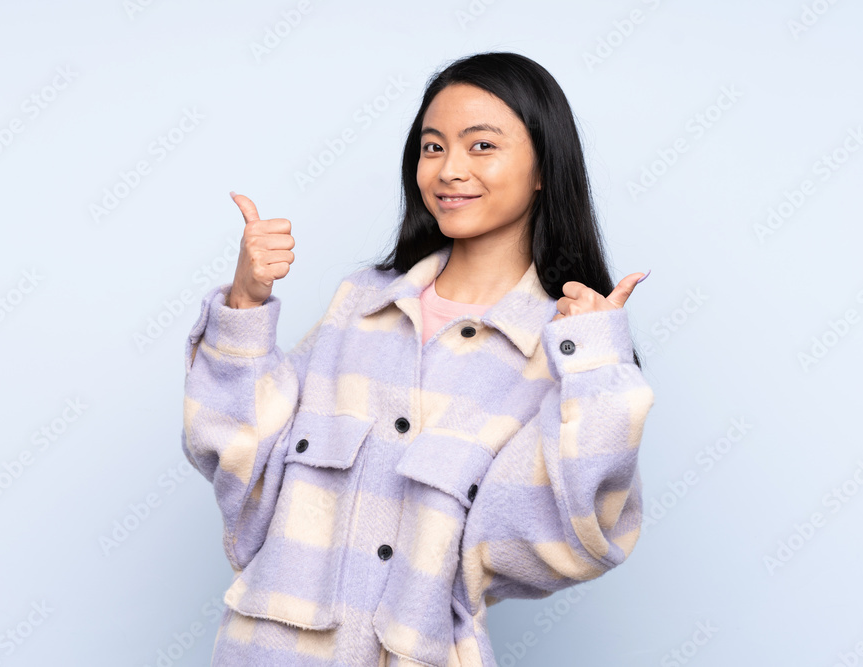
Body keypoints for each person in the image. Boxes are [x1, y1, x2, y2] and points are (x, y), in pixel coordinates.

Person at [181, 50, 655, 667]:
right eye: (433, 147)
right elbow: (242, 461)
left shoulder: (560, 350)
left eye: (481, 146)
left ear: (544, 167)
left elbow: (570, 535)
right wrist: (245, 305)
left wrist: (595, 366)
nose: (450, 170)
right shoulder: (359, 305)